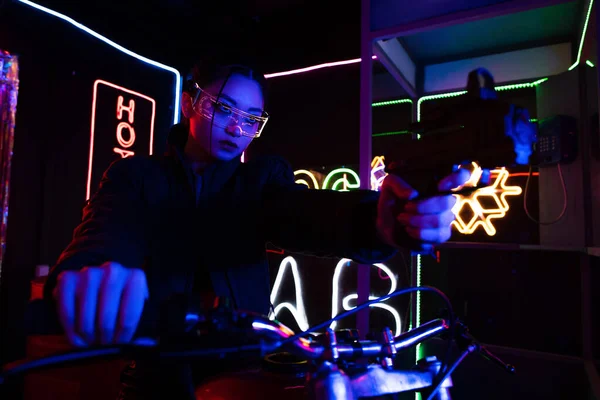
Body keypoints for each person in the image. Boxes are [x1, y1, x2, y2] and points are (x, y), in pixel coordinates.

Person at [43, 58, 470, 399]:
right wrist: (92, 268)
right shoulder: (136, 176)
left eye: (251, 118)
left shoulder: (261, 180)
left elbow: (306, 214)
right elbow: (105, 231)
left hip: (242, 373)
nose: (236, 127)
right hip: (154, 372)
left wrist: (377, 220)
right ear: (190, 104)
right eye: (223, 108)